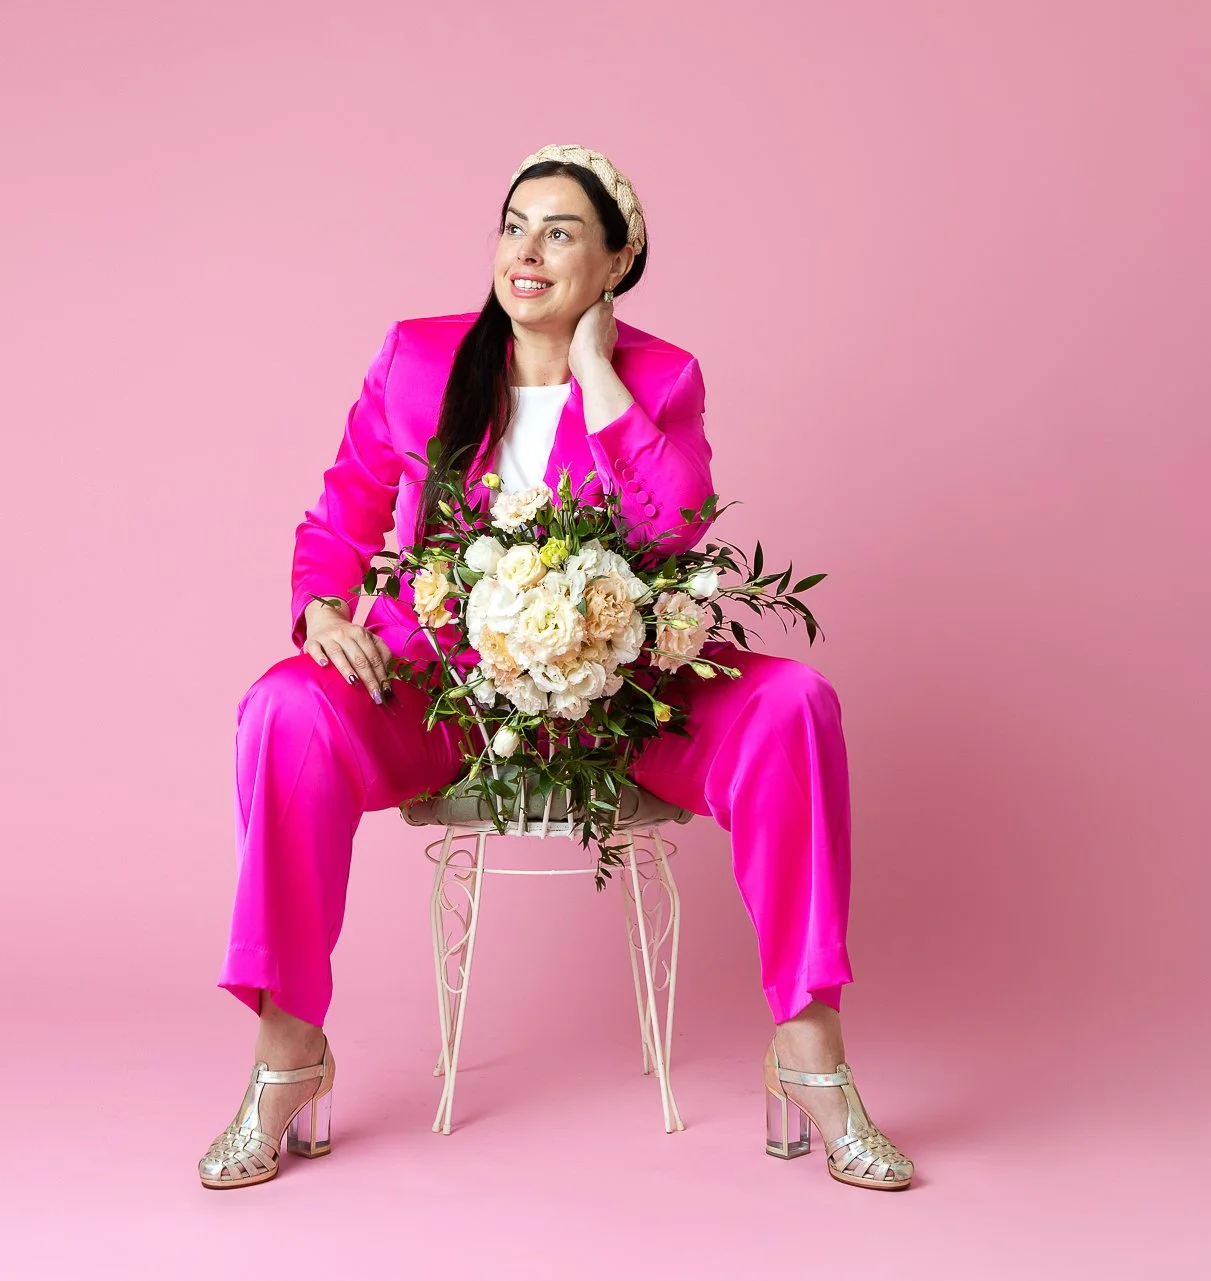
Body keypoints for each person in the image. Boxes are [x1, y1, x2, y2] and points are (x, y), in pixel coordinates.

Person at [197, 144, 915, 1192]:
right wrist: (319, 606)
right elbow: (341, 511)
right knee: (283, 711)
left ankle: (809, 1052)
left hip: (622, 692)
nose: (525, 252)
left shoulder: (661, 376)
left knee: (794, 705)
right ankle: (287, 1059)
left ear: (617, 262)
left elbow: (674, 529)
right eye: (513, 225)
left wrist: (595, 374)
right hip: (443, 695)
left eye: (561, 232)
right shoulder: (417, 358)